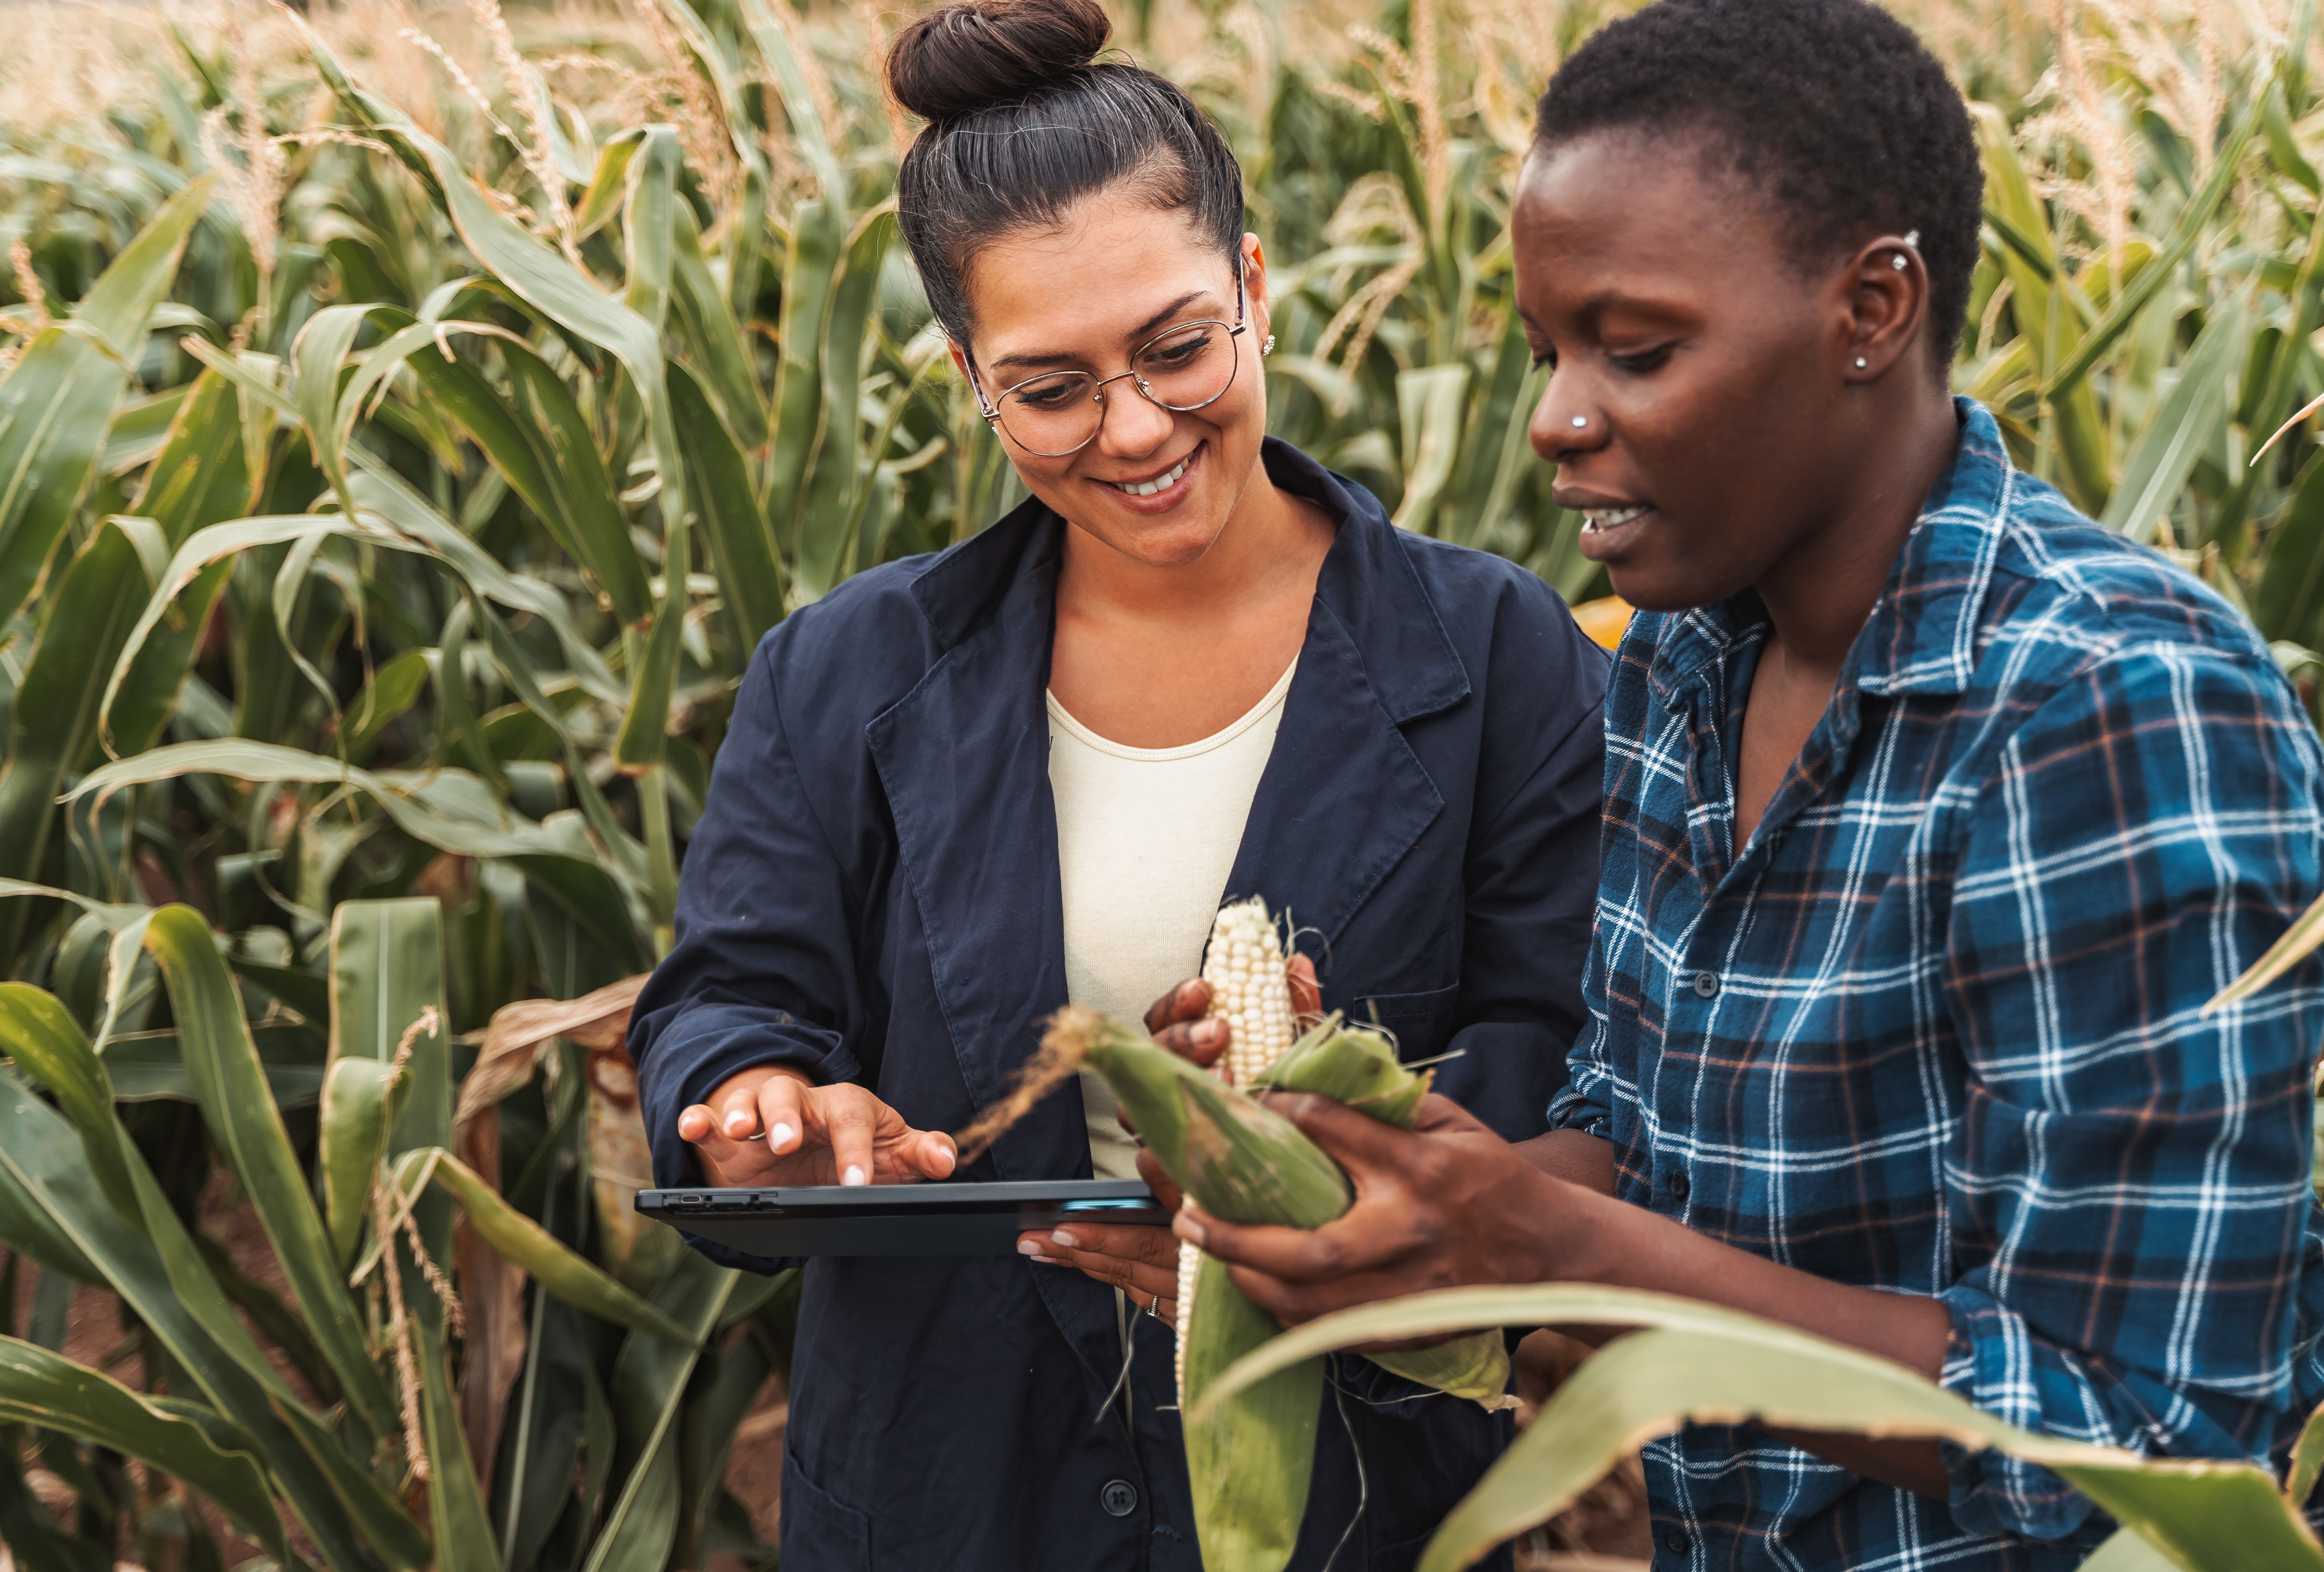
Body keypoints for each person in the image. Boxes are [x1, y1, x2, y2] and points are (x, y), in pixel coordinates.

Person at [1166, 0, 2324, 1565]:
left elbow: (2149, 1441)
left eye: (1634, 350)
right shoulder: (1678, 663)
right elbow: (1636, 1137)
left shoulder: (2111, 712)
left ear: (1872, 308)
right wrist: (1371, 1194)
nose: (1557, 418)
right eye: (1549, 352)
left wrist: (1556, 1247)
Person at [623, 0, 1609, 1564]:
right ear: (970, 376)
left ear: (1255, 290)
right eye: (1052, 386)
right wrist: (757, 1105)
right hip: (948, 1484)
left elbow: (1567, 1038)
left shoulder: (1498, 652)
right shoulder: (846, 671)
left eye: (1176, 347)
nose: (1136, 428)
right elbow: (732, 996)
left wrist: (1335, 1120)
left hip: (1353, 1492)